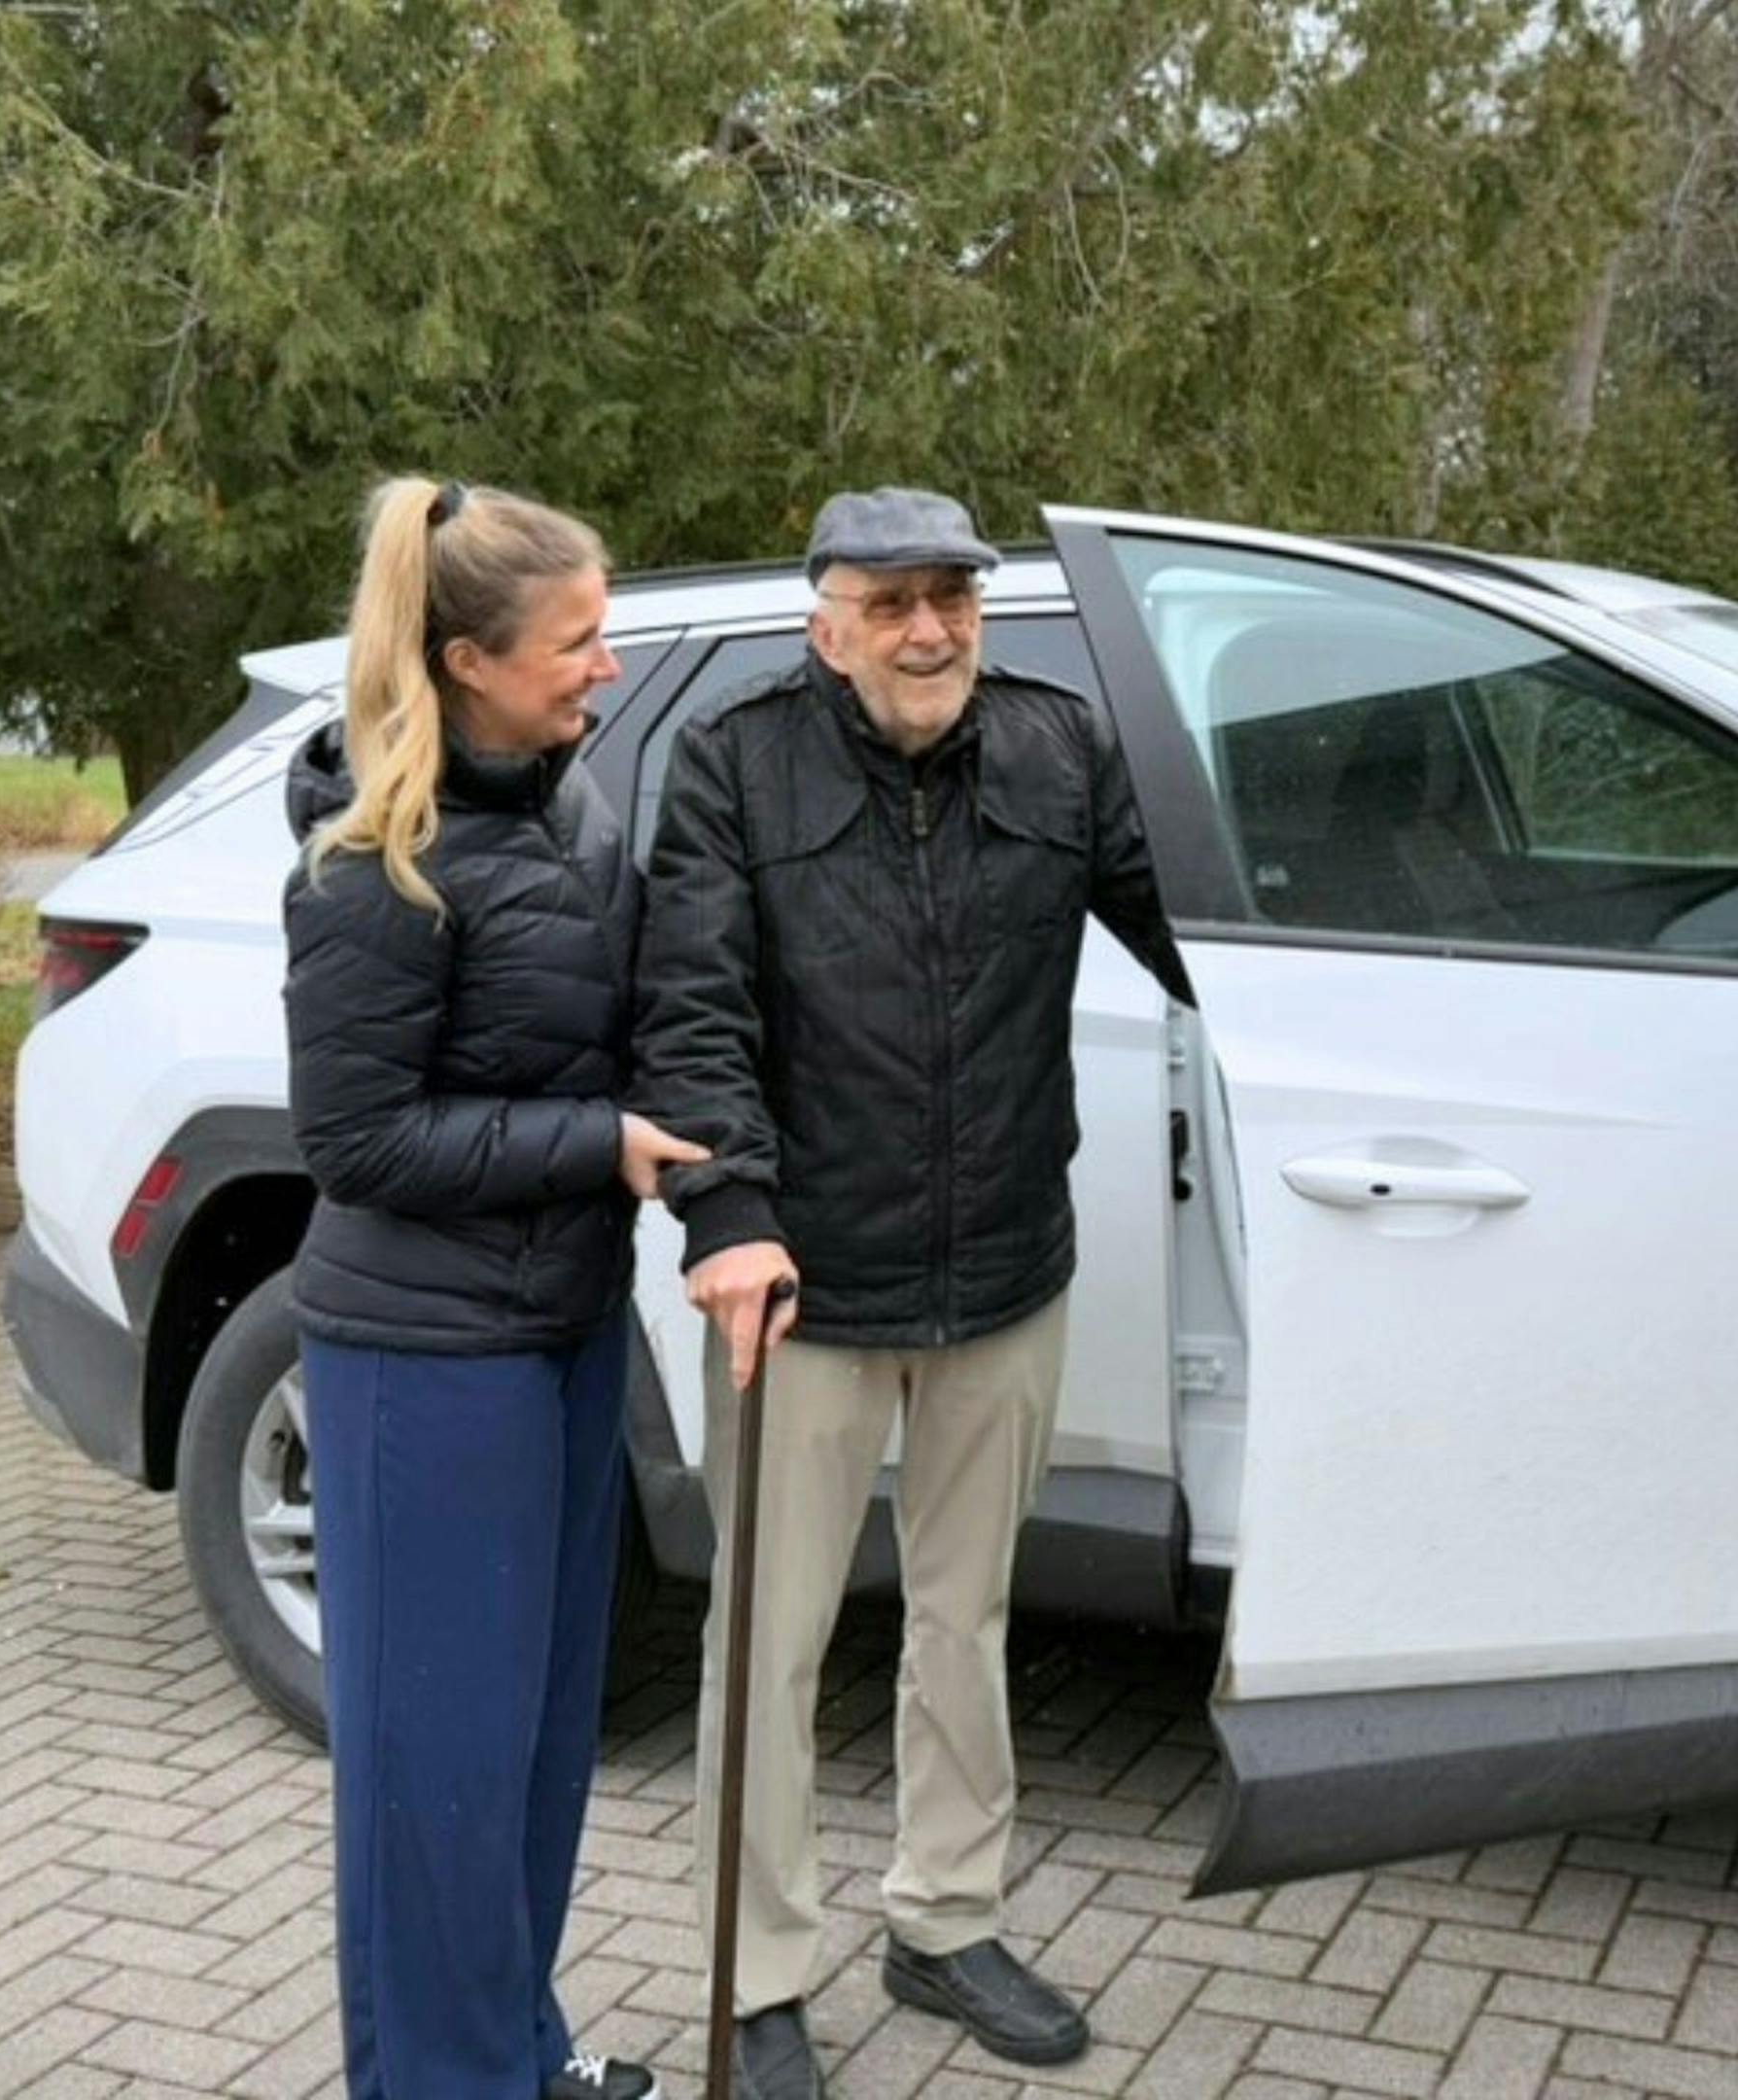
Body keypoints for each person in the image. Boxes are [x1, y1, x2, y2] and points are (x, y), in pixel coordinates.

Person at [636, 487, 1196, 2098]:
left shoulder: (1057, 748)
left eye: (951, 594)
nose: (930, 629)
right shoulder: (735, 761)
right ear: (827, 621)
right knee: (772, 1639)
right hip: (799, 1283)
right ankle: (759, 1978)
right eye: (890, 602)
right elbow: (689, 1010)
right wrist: (725, 1215)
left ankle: (944, 1922)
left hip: (1007, 1269)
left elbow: (1185, 930)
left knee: (967, 1621)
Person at [282, 474, 707, 2100]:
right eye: (577, 645)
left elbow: (635, 1007)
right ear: (466, 660)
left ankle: (516, 2051)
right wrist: (598, 1143)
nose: (607, 669)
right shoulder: (368, 865)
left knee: (533, 1753)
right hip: (423, 1363)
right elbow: (361, 1141)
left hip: (560, 1329)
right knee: (435, 1778)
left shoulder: (567, 801)